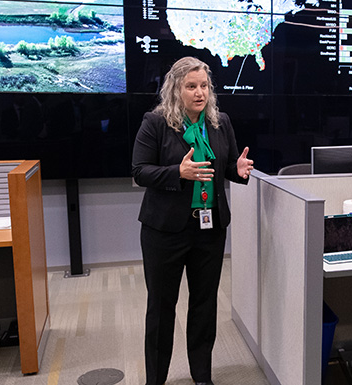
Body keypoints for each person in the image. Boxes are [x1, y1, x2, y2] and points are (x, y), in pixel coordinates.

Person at [132, 56, 254, 385]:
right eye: (191, 86)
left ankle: (202, 377)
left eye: (204, 86)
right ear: (176, 89)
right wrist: (178, 172)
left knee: (204, 305)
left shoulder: (220, 122)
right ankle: (155, 380)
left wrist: (237, 172)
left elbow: (223, 167)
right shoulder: (156, 123)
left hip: (209, 228)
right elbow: (139, 171)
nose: (199, 93)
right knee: (161, 308)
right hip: (164, 231)